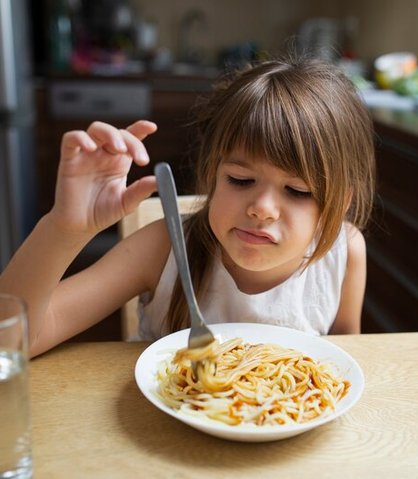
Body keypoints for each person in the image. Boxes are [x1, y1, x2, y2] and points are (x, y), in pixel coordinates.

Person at [0, 56, 375, 357]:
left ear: (338, 204)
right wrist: (64, 228)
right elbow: (10, 343)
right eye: (241, 181)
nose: (262, 208)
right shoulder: (161, 248)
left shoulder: (344, 253)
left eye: (297, 190)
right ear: (212, 174)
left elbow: (343, 361)